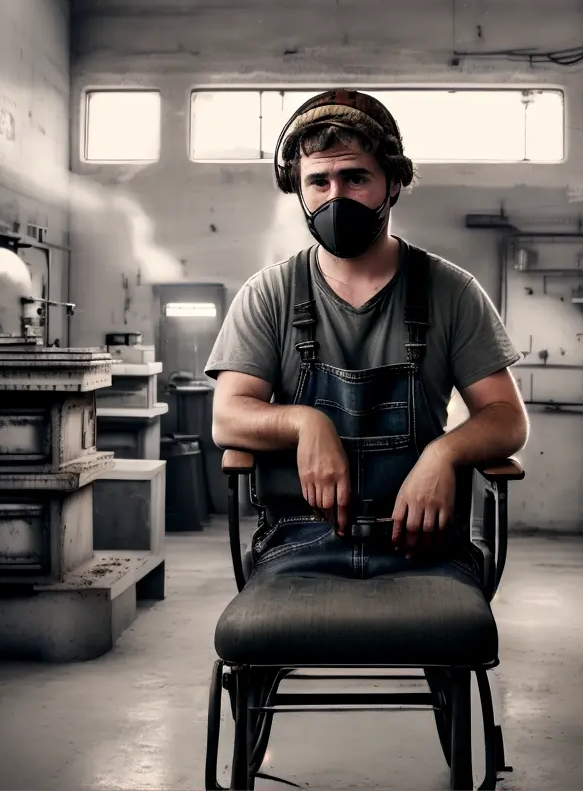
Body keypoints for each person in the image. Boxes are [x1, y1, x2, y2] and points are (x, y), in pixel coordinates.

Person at [205, 89, 528, 586]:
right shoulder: (269, 294)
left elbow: (508, 420)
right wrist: (304, 423)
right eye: (318, 181)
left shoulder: (451, 291)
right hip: (299, 541)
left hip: (423, 543)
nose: (336, 197)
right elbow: (228, 416)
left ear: (393, 183)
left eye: (355, 177)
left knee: (458, 633)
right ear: (298, 188)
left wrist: (444, 454)